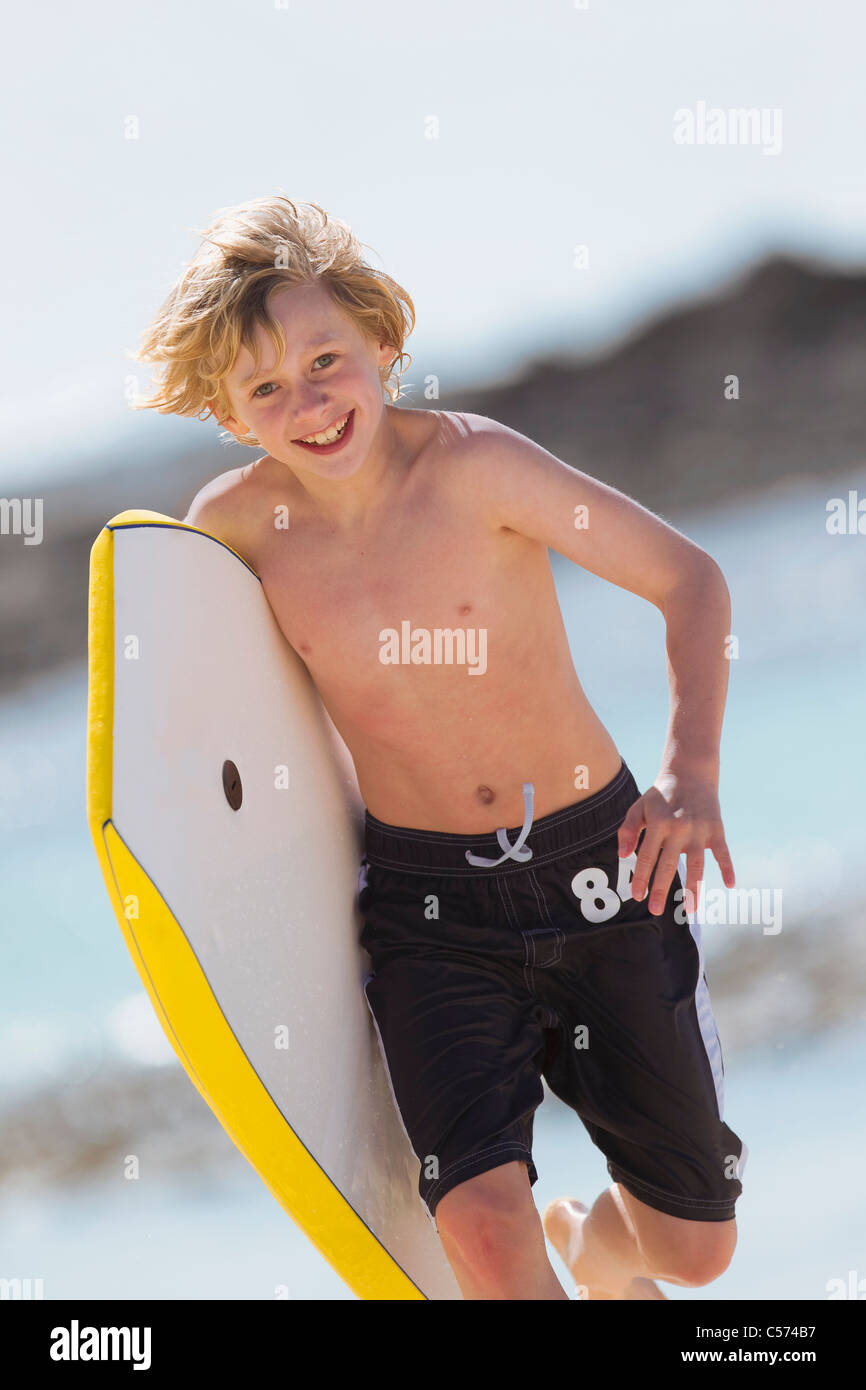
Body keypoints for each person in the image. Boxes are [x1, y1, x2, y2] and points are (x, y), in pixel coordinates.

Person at [133, 194, 746, 1300]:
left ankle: (603, 1244)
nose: (308, 403)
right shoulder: (232, 531)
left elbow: (686, 579)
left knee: (692, 1252)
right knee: (476, 1235)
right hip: (427, 912)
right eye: (265, 388)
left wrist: (687, 773)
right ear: (228, 412)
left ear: (381, 342)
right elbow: (203, 737)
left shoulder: (477, 470)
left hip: (602, 864)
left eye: (327, 360)